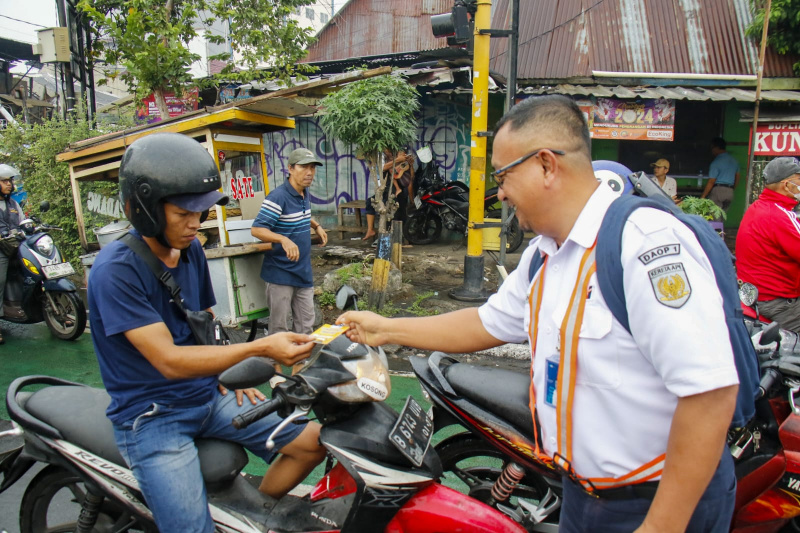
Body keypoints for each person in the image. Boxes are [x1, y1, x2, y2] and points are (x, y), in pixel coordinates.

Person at [337, 95, 739, 533]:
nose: (501, 192)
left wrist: (661, 527)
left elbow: (709, 394)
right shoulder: (543, 255)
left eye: (504, 176)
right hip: (582, 495)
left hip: (657, 502)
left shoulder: (645, 245)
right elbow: (486, 323)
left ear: (547, 165)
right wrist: (385, 327)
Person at [88, 133, 325, 533]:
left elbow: (206, 324)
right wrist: (262, 348)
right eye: (184, 214)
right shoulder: (116, 270)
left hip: (208, 397)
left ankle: (252, 517)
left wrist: (225, 376)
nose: (196, 224)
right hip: (153, 416)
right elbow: (168, 359)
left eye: (200, 213)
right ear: (146, 209)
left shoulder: (192, 248)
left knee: (313, 443)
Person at [251, 147, 327, 372]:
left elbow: (303, 215)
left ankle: (298, 369)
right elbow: (257, 229)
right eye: (304, 167)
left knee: (305, 324)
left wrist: (317, 226)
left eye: (312, 167)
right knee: (279, 327)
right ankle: (275, 370)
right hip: (280, 272)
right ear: (290, 169)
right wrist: (283, 239)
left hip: (303, 272)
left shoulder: (304, 193)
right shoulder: (278, 197)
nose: (309, 172)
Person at [736, 156, 800, 332]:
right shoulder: (778, 215)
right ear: (786, 185)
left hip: (759, 295)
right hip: (778, 301)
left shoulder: (760, 207)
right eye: (799, 179)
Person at [362, 148, 415, 241]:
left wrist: (410, 164)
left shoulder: (398, 154)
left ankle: (397, 239)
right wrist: (398, 160)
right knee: (371, 203)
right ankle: (372, 231)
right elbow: (382, 168)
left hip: (400, 189)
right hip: (387, 188)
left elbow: (411, 176)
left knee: (398, 211)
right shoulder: (381, 156)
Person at [0, 164, 23, 344]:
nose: (9, 184)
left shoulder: (14, 204)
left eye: (10, 180)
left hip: (16, 246)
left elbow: (23, 223)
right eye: (5, 181)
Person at [701, 137, 740, 212]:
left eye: (712, 148)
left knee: (715, 216)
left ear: (716, 148)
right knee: (722, 215)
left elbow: (711, 181)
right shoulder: (734, 161)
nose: (711, 151)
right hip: (730, 192)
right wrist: (731, 189)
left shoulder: (716, 162)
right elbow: (737, 177)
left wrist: (703, 195)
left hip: (718, 191)